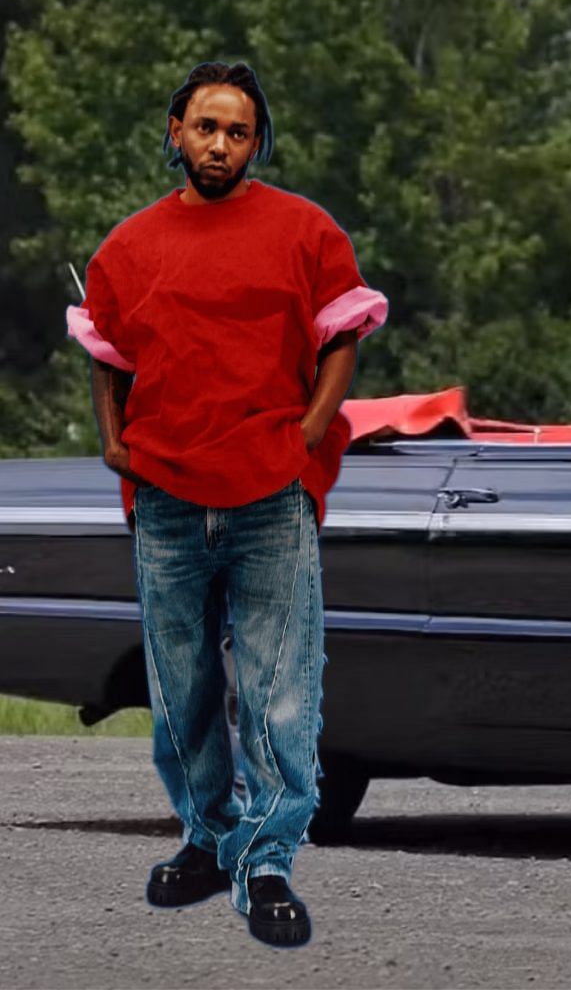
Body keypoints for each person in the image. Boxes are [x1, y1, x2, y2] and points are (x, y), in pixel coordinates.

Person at [64, 61, 387, 948]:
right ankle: (206, 836)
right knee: (182, 691)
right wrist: (113, 439)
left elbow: (343, 334)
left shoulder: (306, 232)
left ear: (256, 142)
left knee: (283, 691)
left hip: (269, 494)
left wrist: (310, 430)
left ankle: (270, 859)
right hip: (166, 492)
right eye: (205, 127)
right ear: (175, 132)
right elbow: (107, 351)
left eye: (237, 132)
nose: (219, 145)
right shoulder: (127, 248)